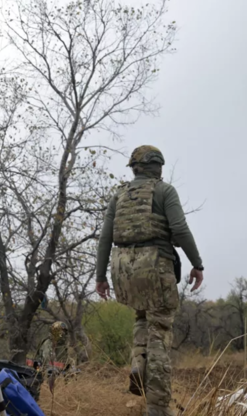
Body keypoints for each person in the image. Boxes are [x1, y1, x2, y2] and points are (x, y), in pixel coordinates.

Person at [94, 145, 204, 416]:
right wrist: (197, 264)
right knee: (160, 333)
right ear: (157, 166)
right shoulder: (164, 191)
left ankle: (137, 363)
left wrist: (100, 277)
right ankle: (157, 407)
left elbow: (105, 238)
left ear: (135, 168)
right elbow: (179, 228)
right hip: (156, 266)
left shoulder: (119, 195)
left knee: (142, 319)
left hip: (123, 269)